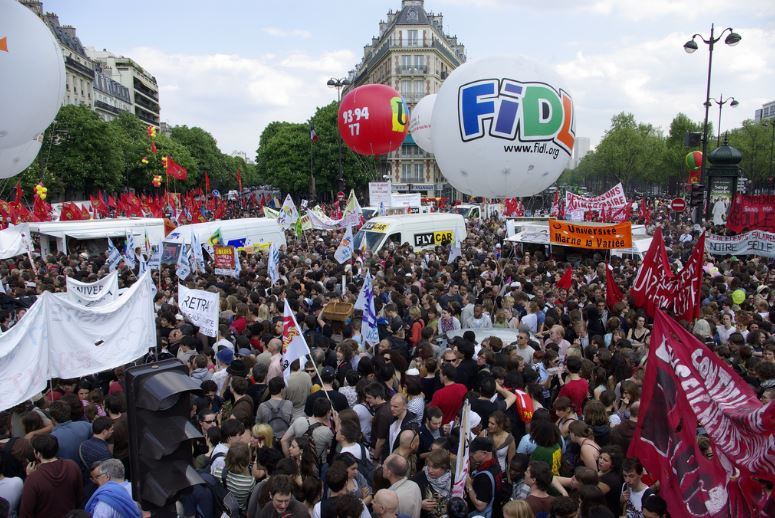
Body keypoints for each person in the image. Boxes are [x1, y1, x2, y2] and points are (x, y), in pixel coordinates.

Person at [19, 434, 83, 518]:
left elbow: (26, 512)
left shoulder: (33, 478)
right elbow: (80, 497)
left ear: (37, 453)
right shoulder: (72, 466)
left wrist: (29, 477)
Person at [466, 437, 502, 518]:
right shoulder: (496, 465)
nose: (471, 454)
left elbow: (480, 506)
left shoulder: (484, 477)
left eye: (474, 452)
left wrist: (469, 486)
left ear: (484, 453)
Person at [412, 448, 451, 518]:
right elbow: (406, 502)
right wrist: (420, 504)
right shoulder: (417, 479)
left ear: (445, 467)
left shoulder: (454, 479)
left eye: (434, 467)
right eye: (428, 466)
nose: (430, 470)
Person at [384, 454, 422, 518]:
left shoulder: (390, 497)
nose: (382, 466)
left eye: (384, 464)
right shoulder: (414, 485)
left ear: (389, 472)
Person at [256, 377, 293, 443]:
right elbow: (291, 422)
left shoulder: (262, 406)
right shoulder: (289, 404)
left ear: (269, 390)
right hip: (285, 441)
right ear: (282, 390)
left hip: (268, 441)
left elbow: (257, 425)